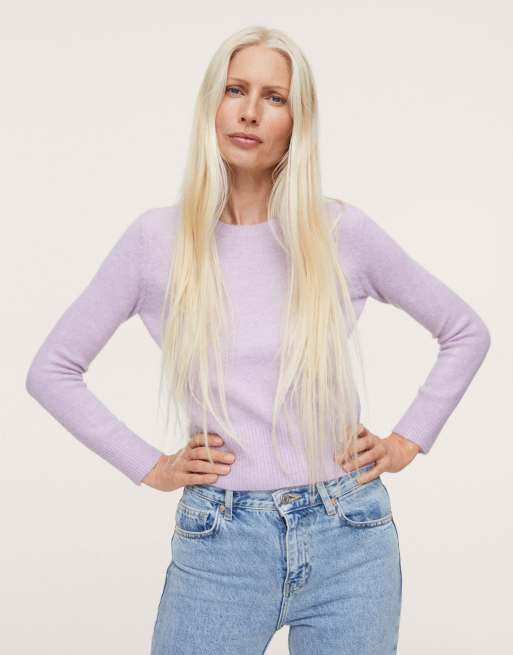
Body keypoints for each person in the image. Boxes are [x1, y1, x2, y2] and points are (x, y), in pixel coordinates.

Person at [25, 25, 491, 655]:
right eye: (235, 89)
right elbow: (52, 370)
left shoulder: (339, 232)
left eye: (275, 97)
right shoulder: (156, 242)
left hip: (350, 535)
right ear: (212, 104)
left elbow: (464, 330)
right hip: (221, 541)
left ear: (298, 122)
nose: (249, 111)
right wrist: (152, 467)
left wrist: (407, 441)